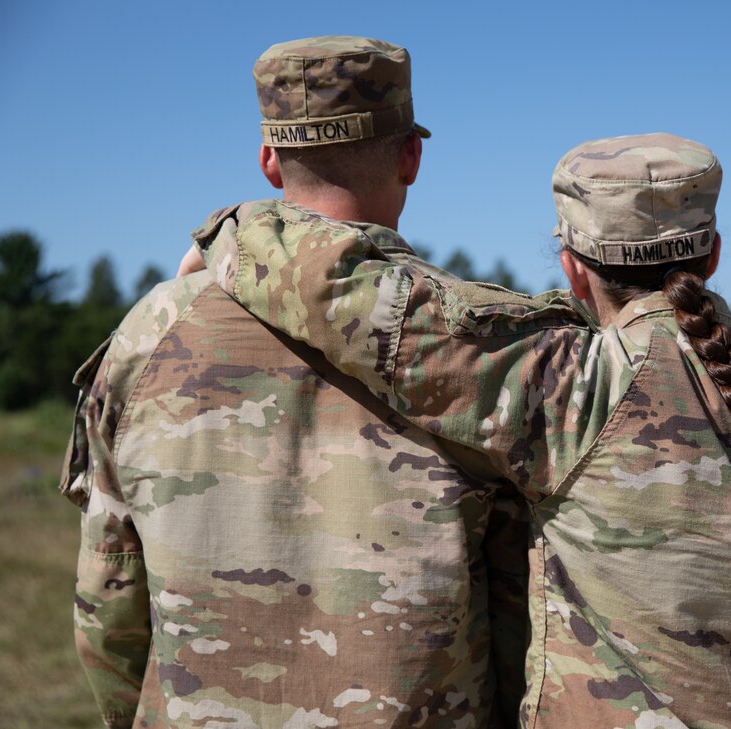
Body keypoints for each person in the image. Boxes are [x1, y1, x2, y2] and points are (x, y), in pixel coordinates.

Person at [192, 132, 731, 728]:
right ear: (709, 257)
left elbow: (348, 296)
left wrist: (231, 234)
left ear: (570, 261)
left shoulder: (563, 386)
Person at [60, 35, 533, 728]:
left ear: (269, 162)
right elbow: (523, 609)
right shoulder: (485, 346)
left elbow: (109, 599)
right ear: (411, 156)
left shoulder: (147, 332)